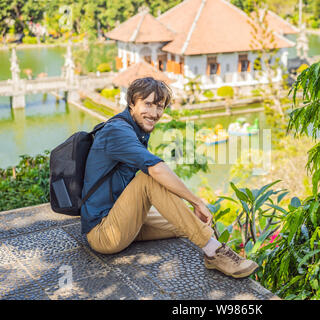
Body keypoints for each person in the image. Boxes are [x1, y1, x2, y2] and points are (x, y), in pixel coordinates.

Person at [81, 77, 258, 279]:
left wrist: (191, 209)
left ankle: (210, 245)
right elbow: (156, 169)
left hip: (123, 222)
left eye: (159, 107)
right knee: (148, 178)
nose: (154, 113)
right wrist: (196, 201)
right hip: (104, 233)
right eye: (147, 104)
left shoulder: (134, 130)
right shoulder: (117, 131)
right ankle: (214, 252)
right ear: (131, 103)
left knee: (189, 225)